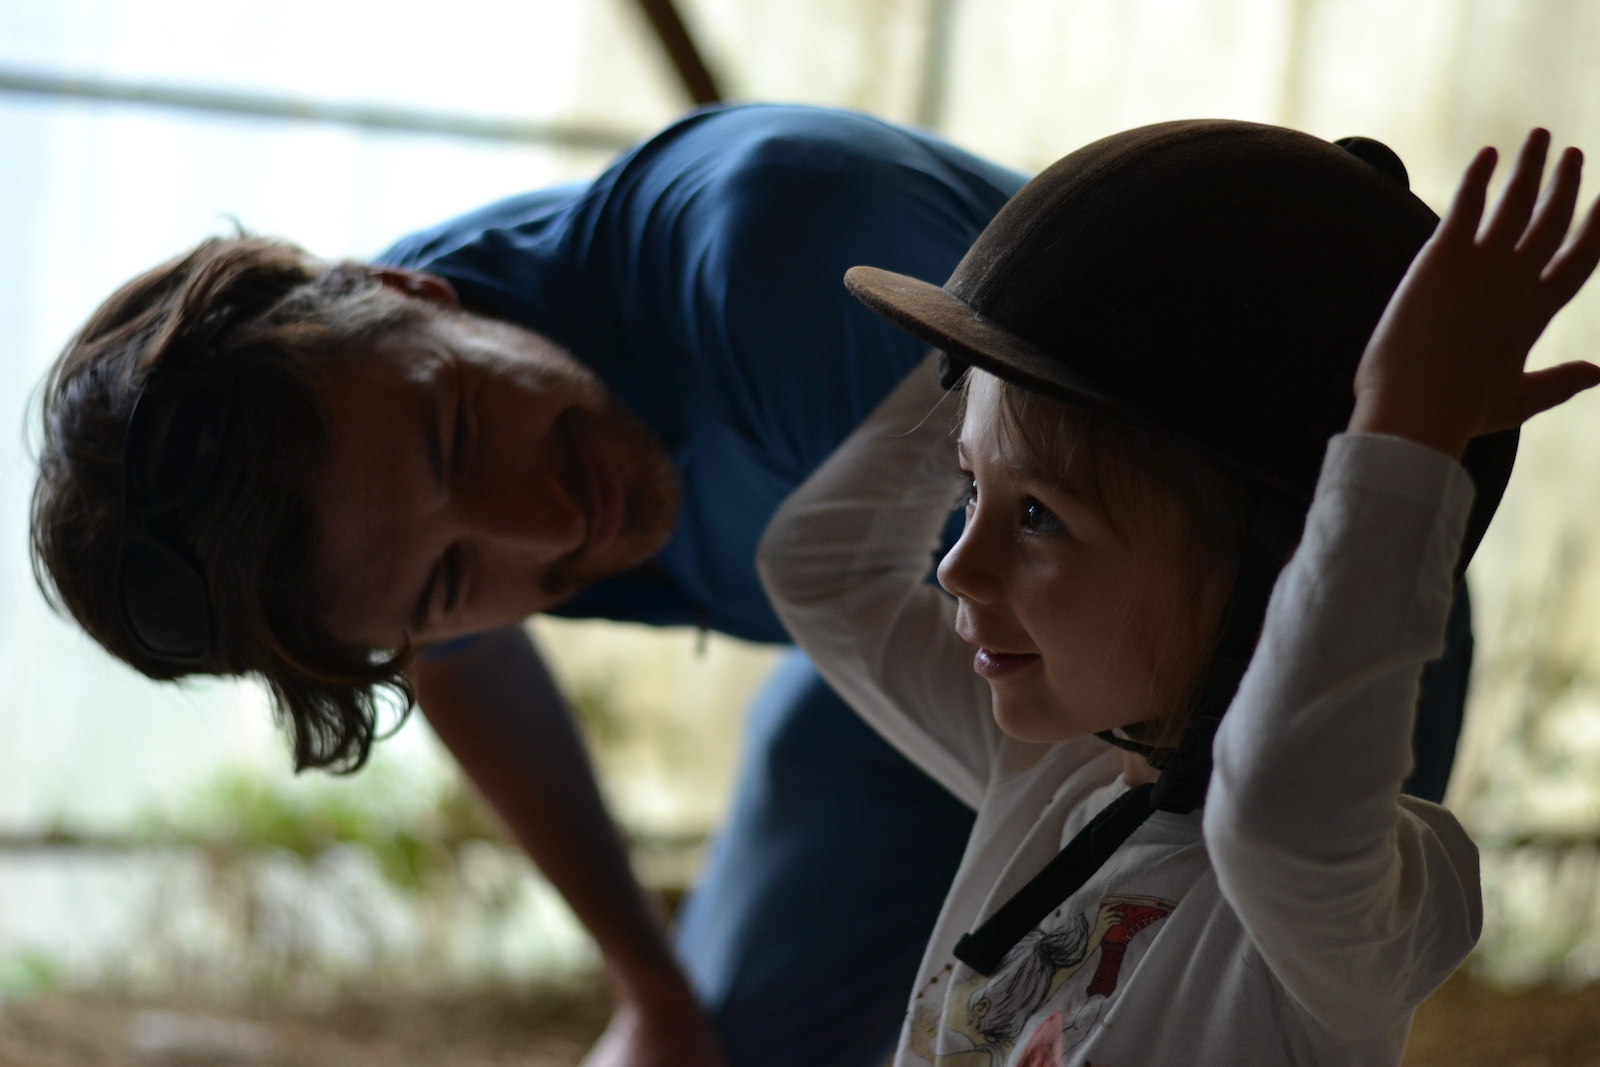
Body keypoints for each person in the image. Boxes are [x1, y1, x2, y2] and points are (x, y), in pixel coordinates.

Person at [29, 104, 1471, 1067]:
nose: (542, 524)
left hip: (1273, 628)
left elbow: (1104, 523)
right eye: (454, 578)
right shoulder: (381, 506)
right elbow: (827, 587)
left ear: (416, 295)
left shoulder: (771, 261)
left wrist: (1396, 448)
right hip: (957, 661)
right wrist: (647, 984)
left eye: (465, 431)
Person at [757, 122, 1600, 1065]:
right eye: (968, 490)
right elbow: (821, 570)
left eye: (1039, 516)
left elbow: (1274, 813)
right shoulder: (1053, 778)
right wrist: (1008, 326)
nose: (957, 565)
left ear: (1281, 565)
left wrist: (1405, 434)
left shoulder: (1361, 910)